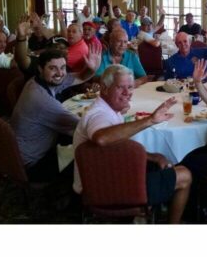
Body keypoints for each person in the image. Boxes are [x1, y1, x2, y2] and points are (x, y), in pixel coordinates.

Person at [72, 65, 192, 224]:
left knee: (159, 165)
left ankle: (143, 217)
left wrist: (153, 157)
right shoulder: (99, 115)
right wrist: (149, 120)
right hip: (105, 188)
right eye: (120, 87)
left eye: (130, 87)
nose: (127, 92)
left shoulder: (108, 109)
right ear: (105, 88)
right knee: (184, 175)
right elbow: (101, 138)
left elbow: (117, 144)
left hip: (104, 178)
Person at [10, 46, 101, 182]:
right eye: (52, 68)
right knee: (92, 150)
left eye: (63, 67)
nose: (59, 73)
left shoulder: (36, 81)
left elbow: (79, 77)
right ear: (40, 69)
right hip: (33, 165)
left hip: (20, 151)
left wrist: (92, 69)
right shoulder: (42, 101)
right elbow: (84, 128)